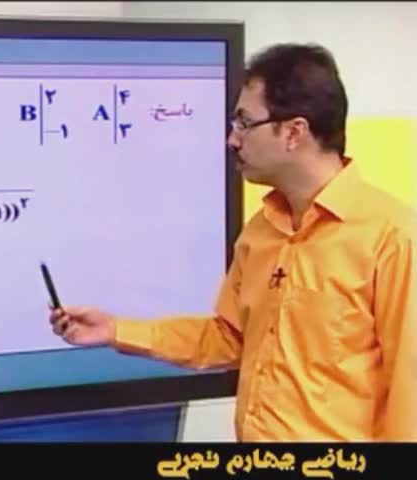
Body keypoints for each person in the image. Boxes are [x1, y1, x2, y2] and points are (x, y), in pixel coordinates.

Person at [49, 43, 416, 441]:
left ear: (294, 132)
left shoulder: (391, 236)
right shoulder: (261, 231)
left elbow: (409, 390)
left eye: (244, 123)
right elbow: (228, 339)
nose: (232, 140)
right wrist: (115, 329)